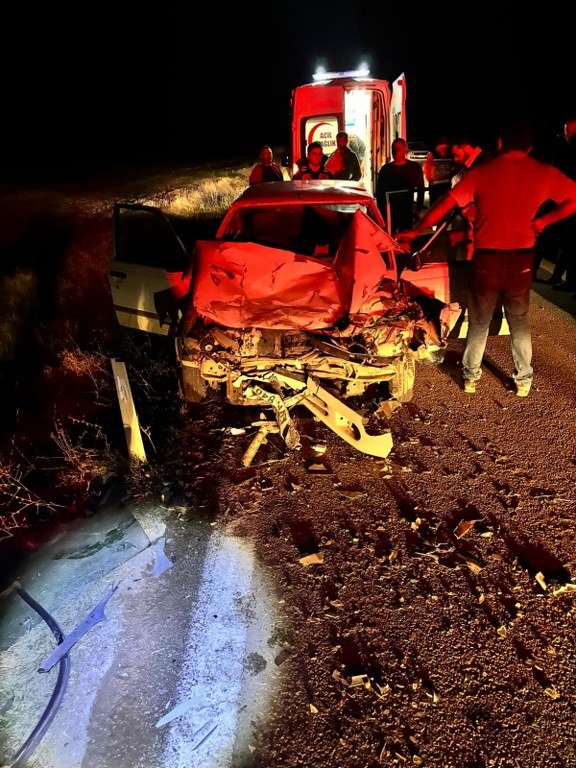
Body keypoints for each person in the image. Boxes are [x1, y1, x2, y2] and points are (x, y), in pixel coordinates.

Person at [397, 118, 576, 397]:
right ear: (530, 147)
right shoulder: (543, 173)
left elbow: (446, 203)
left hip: (487, 260)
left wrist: (416, 230)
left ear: (501, 142)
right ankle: (523, 380)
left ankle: (470, 377)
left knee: (479, 322)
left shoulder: (483, 173)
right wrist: (543, 221)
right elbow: (573, 198)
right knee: (519, 322)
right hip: (521, 261)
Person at [534, 117, 576, 291]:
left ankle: (564, 278)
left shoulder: (564, 150)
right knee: (567, 242)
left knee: (565, 241)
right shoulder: (564, 149)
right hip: (562, 198)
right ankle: (561, 277)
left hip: (561, 198)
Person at [375, 137, 425, 234]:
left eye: (398, 149)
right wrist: (381, 213)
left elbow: (421, 189)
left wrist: (418, 209)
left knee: (403, 237)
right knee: (392, 238)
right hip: (391, 213)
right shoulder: (386, 170)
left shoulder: (413, 168)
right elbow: (379, 193)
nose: (395, 152)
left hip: (405, 212)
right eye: (394, 149)